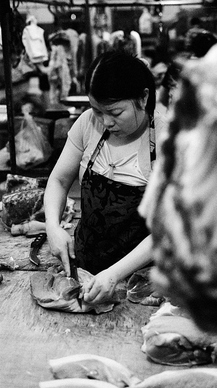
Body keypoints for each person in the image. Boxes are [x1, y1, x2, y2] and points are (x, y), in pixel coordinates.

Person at [44, 50, 167, 305]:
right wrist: (53, 226)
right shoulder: (88, 124)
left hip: (140, 282)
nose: (105, 121)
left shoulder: (169, 140)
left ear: (143, 97)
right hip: (85, 268)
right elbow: (59, 180)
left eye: (115, 112)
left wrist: (114, 275)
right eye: (97, 110)